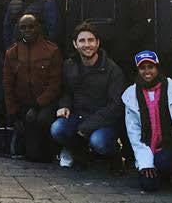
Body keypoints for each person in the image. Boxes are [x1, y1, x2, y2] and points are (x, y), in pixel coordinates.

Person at [51, 23, 125, 169]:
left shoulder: (112, 70)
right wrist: (64, 105)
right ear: (75, 44)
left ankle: (115, 155)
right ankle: (78, 151)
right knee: (57, 128)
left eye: (91, 40)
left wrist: (86, 127)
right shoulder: (69, 65)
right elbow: (66, 91)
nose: (87, 45)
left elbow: (115, 106)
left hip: (103, 121)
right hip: (78, 117)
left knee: (99, 142)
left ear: (98, 43)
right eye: (82, 41)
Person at [122, 51, 172, 192]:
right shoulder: (131, 95)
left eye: (151, 67)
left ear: (157, 68)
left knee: (164, 161)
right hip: (147, 147)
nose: (147, 71)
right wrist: (145, 163)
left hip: (170, 145)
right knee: (149, 185)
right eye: (142, 68)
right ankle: (159, 174)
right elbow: (134, 132)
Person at [65, 0, 146, 73]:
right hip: (86, 64)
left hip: (120, 64)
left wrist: (124, 46)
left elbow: (140, 25)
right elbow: (70, 30)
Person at [4, 14, 62, 162]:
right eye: (23, 27)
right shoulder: (12, 53)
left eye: (31, 26)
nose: (27, 30)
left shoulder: (52, 51)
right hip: (23, 106)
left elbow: (55, 85)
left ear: (38, 28)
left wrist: (37, 106)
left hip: (45, 105)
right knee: (30, 155)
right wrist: (14, 112)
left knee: (41, 120)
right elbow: (8, 84)